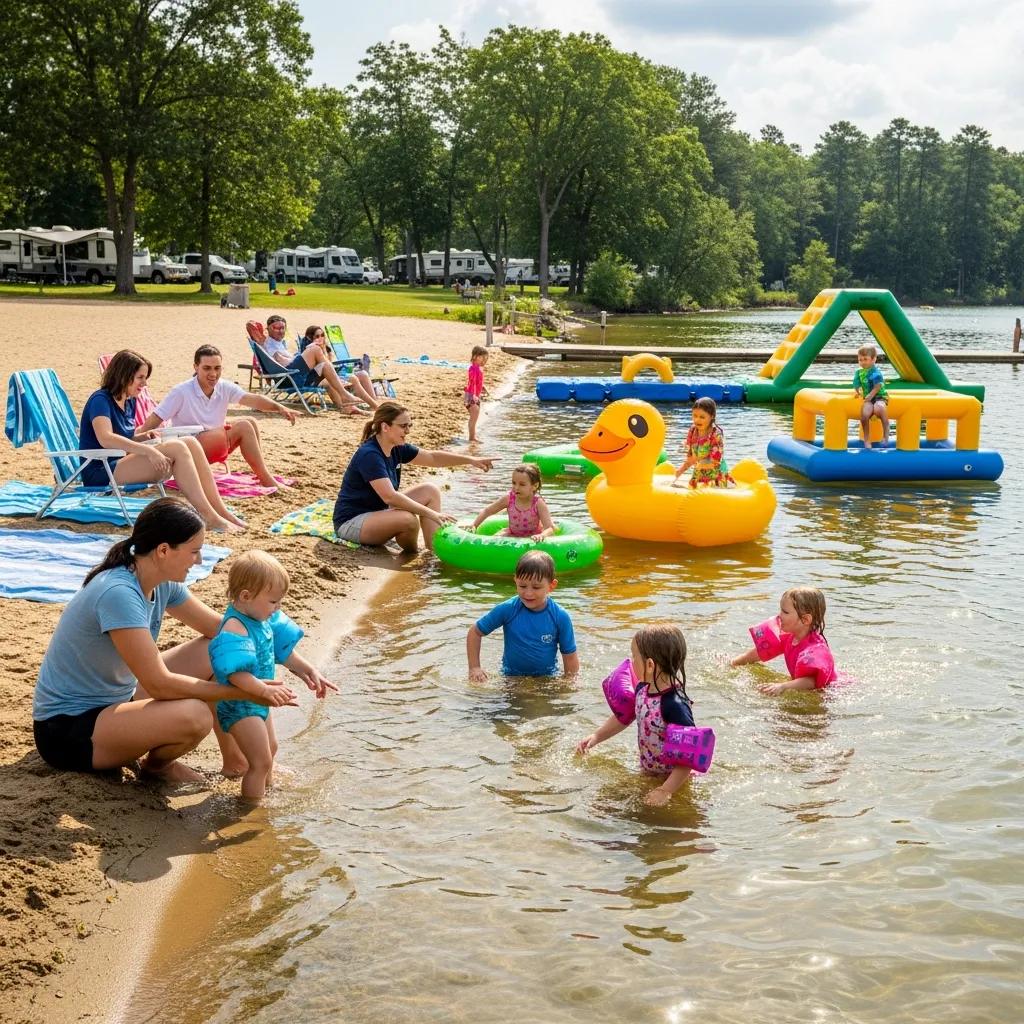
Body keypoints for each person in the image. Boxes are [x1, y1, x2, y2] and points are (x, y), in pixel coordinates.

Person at [31, 497, 289, 782]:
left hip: (118, 699)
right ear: (164, 550)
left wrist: (291, 657)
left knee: (218, 648)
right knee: (196, 715)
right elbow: (159, 684)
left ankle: (236, 762)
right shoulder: (118, 593)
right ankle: (158, 767)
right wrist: (245, 691)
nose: (200, 560)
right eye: (194, 551)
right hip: (68, 730)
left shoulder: (160, 582)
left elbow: (225, 630)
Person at [209, 551, 337, 801]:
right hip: (239, 705)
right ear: (245, 596)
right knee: (259, 761)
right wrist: (263, 690)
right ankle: (252, 808)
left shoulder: (261, 616)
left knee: (271, 750)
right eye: (273, 602)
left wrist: (308, 670)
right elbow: (234, 674)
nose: (278, 608)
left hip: (257, 700)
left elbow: (283, 651)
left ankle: (267, 791)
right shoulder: (235, 626)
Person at [79, 350, 246, 532]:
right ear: (124, 376)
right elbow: (106, 438)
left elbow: (124, 438)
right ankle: (209, 516)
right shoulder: (100, 400)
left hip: (119, 463)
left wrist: (142, 437)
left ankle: (221, 512)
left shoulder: (129, 401)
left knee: (190, 442)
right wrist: (149, 450)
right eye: (140, 377)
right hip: (100, 470)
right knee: (176, 447)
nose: (144, 383)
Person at [332, 402, 496, 550]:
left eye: (409, 425)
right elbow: (390, 497)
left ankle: (433, 550)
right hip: (352, 522)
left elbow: (433, 458)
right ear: (385, 427)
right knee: (408, 520)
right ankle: (413, 554)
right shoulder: (370, 455)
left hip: (378, 512)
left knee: (430, 490)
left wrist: (471, 460)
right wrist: (432, 514)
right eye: (403, 426)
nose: (408, 431)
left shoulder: (396, 447)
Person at [139, 344, 297, 490]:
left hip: (212, 442)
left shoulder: (223, 386)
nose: (213, 374)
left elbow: (252, 399)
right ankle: (266, 480)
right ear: (196, 367)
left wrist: (280, 408)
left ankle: (261, 472)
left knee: (250, 421)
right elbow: (155, 419)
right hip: (188, 448)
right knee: (244, 426)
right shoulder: (181, 391)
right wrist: (136, 441)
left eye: (217, 368)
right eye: (207, 368)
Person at [576, 624, 701, 807]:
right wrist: (596, 736)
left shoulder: (674, 705)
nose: (631, 661)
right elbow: (624, 717)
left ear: (650, 665)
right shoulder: (643, 688)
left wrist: (666, 790)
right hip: (650, 771)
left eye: (634, 656)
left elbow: (688, 757)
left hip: (676, 778)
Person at [466, 550, 579, 682]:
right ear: (515, 580)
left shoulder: (560, 617)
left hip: (546, 680)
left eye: (536, 587)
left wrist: (569, 684)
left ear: (551, 586)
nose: (528, 593)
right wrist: (474, 668)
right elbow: (475, 632)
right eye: (522, 586)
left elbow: (570, 656)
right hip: (511, 678)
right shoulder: (508, 609)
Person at [731, 586, 837, 696]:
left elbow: (812, 681)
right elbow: (760, 652)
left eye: (785, 612)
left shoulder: (816, 650)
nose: (779, 615)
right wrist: (735, 662)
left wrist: (783, 686)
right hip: (798, 685)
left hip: (829, 692)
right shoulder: (788, 637)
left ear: (805, 619)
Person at [259, 315, 365, 414]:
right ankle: (344, 394)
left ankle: (345, 407)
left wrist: (302, 358)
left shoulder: (278, 343)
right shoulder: (270, 343)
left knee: (325, 367)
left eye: (282, 328)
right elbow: (282, 362)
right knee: (314, 349)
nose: (280, 331)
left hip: (293, 376)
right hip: (289, 377)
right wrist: (302, 357)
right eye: (276, 328)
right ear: (268, 329)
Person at [469, 463, 555, 542]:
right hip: (511, 533)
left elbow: (549, 528)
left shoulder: (538, 504)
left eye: (522, 484)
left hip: (532, 537)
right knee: (492, 542)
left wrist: (542, 535)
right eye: (514, 483)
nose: (516, 488)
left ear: (535, 486)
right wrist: (474, 525)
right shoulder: (509, 499)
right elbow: (487, 511)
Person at [301, 325, 379, 409]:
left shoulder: (327, 350)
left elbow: (330, 366)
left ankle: (373, 402)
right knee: (353, 378)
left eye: (322, 335)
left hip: (332, 376)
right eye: (317, 336)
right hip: (318, 380)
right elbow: (317, 371)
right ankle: (351, 407)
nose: (321, 338)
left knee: (363, 374)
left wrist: (325, 351)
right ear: (310, 338)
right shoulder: (310, 351)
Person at [674, 397, 734, 488]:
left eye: (702, 417)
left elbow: (715, 463)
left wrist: (700, 465)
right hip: (698, 476)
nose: (697, 420)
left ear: (712, 416)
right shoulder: (693, 430)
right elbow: (691, 457)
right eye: (694, 416)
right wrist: (680, 471)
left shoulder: (716, 435)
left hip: (716, 478)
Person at [854, 344, 890, 448]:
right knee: (865, 414)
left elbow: (878, 386)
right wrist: (857, 391)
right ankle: (866, 439)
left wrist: (870, 395)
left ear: (874, 359)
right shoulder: (859, 372)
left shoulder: (875, 372)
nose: (862, 362)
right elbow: (857, 383)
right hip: (868, 398)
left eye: (865, 359)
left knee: (880, 408)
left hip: (879, 396)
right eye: (860, 360)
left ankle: (886, 434)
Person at [465, 345, 488, 442]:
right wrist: (474, 395)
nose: (485, 361)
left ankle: (473, 436)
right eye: (483, 358)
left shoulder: (477, 368)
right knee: (473, 418)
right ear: (476, 357)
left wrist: (482, 387)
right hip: (471, 395)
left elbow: (478, 382)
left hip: (473, 395)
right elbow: (472, 382)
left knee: (474, 417)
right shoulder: (474, 368)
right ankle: (472, 437)